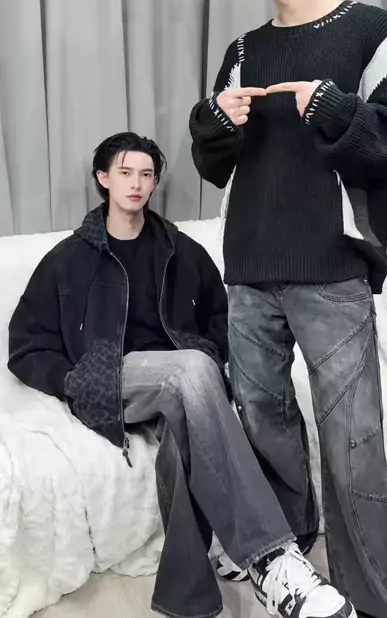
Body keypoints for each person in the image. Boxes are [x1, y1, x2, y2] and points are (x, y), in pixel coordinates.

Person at [189, 0, 387, 618]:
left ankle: (380, 605)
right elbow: (213, 162)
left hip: (330, 268)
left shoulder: (370, 30)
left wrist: (331, 105)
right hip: (249, 270)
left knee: (353, 444)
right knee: (265, 431)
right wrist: (216, 118)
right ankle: (291, 576)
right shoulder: (243, 49)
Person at [8, 132, 355, 618]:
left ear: (155, 183)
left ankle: (187, 599)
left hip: (184, 385)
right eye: (125, 173)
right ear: (103, 179)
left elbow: (221, 319)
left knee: (182, 436)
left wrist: (210, 356)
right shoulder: (67, 261)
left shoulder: (181, 250)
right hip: (112, 380)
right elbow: (25, 345)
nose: (136, 184)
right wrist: (73, 379)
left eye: (146, 174)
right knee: (191, 368)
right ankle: (271, 559)